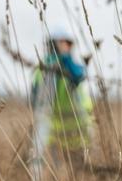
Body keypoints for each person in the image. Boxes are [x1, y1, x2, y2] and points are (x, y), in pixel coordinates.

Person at [30, 27, 93, 173]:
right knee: (59, 171)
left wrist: (65, 60)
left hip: (78, 129)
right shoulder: (43, 69)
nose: (66, 47)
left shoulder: (71, 67)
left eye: (68, 44)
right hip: (54, 132)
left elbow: (79, 75)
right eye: (62, 44)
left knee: (79, 171)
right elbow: (36, 99)